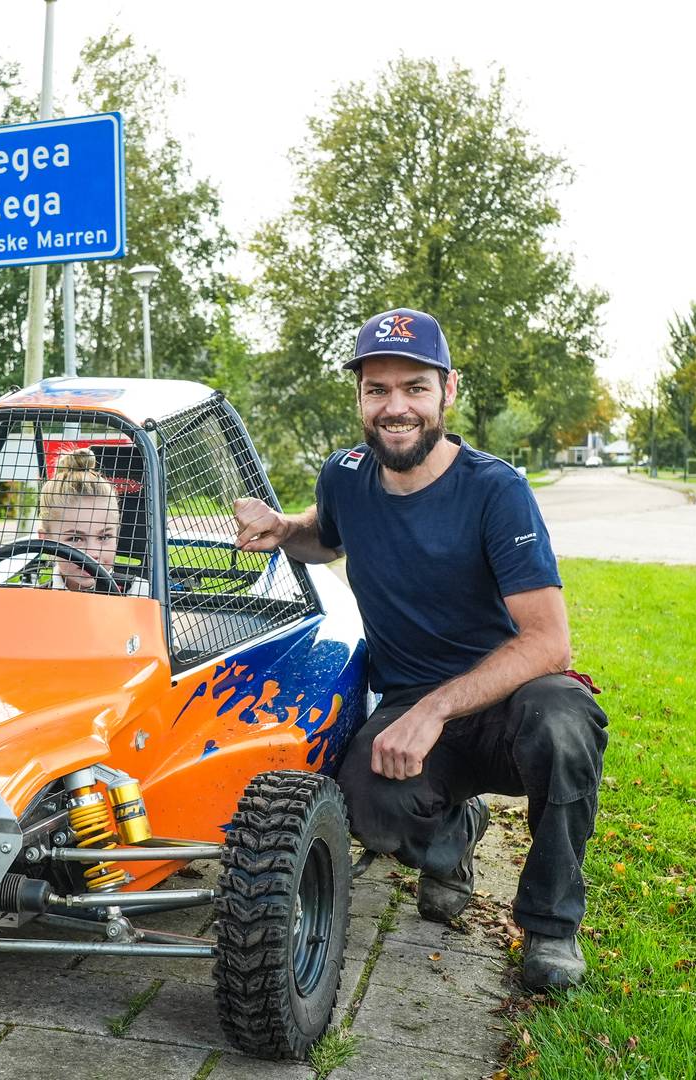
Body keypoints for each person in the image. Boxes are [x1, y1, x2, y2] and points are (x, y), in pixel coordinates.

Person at [231, 307, 607, 992]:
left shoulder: (497, 491)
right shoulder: (345, 475)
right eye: (377, 390)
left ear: (448, 391)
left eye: (414, 388)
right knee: (364, 806)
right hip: (409, 704)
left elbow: (550, 643)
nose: (395, 406)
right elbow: (329, 532)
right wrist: (284, 528)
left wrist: (435, 709)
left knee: (565, 723)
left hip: (508, 700)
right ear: (361, 398)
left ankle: (552, 927)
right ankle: (456, 834)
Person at [36, 448, 145, 595]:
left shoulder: (141, 593)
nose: (92, 553)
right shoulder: (34, 602)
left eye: (104, 537)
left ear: (117, 535)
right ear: (46, 541)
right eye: (75, 538)